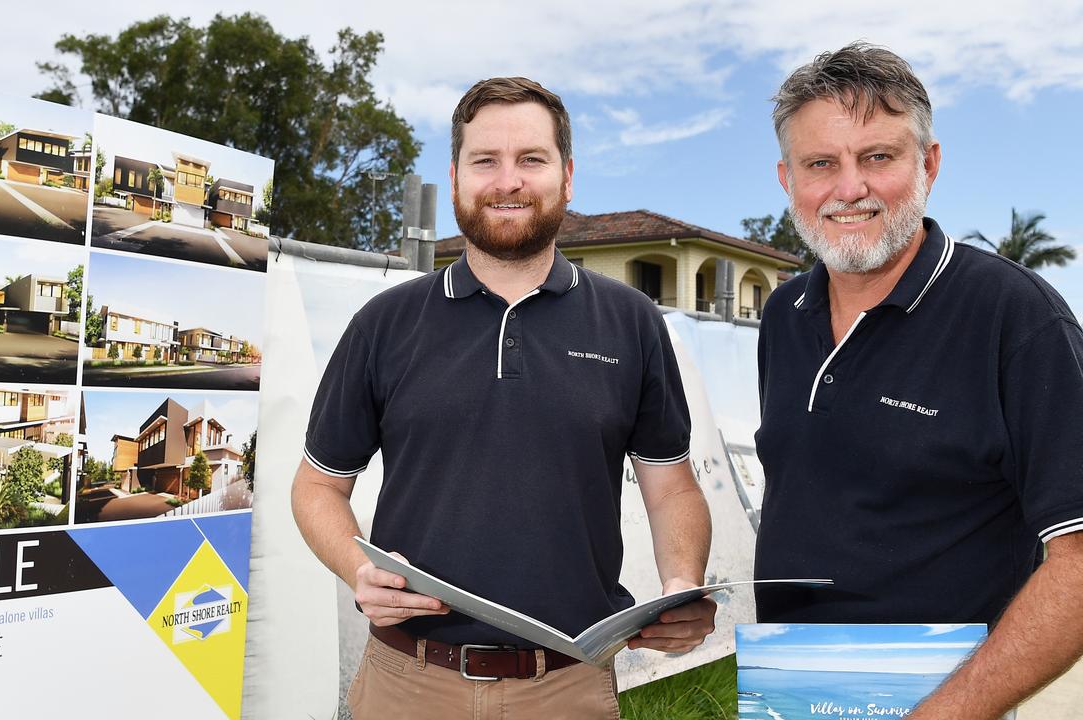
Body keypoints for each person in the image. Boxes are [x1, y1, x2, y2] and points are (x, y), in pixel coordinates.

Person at [291, 76, 717, 719]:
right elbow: (317, 487)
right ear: (457, 177)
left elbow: (673, 488)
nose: (508, 180)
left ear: (567, 177)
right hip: (407, 682)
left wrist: (681, 583)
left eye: (532, 160)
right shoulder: (385, 323)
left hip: (569, 686)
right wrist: (359, 568)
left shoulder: (631, 322)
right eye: (484, 160)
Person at [754, 42, 1083, 719]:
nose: (849, 189)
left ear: (929, 164)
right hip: (789, 688)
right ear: (787, 179)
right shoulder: (784, 315)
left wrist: (939, 714)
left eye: (878, 157)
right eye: (821, 164)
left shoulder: (1017, 319)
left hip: (946, 698)